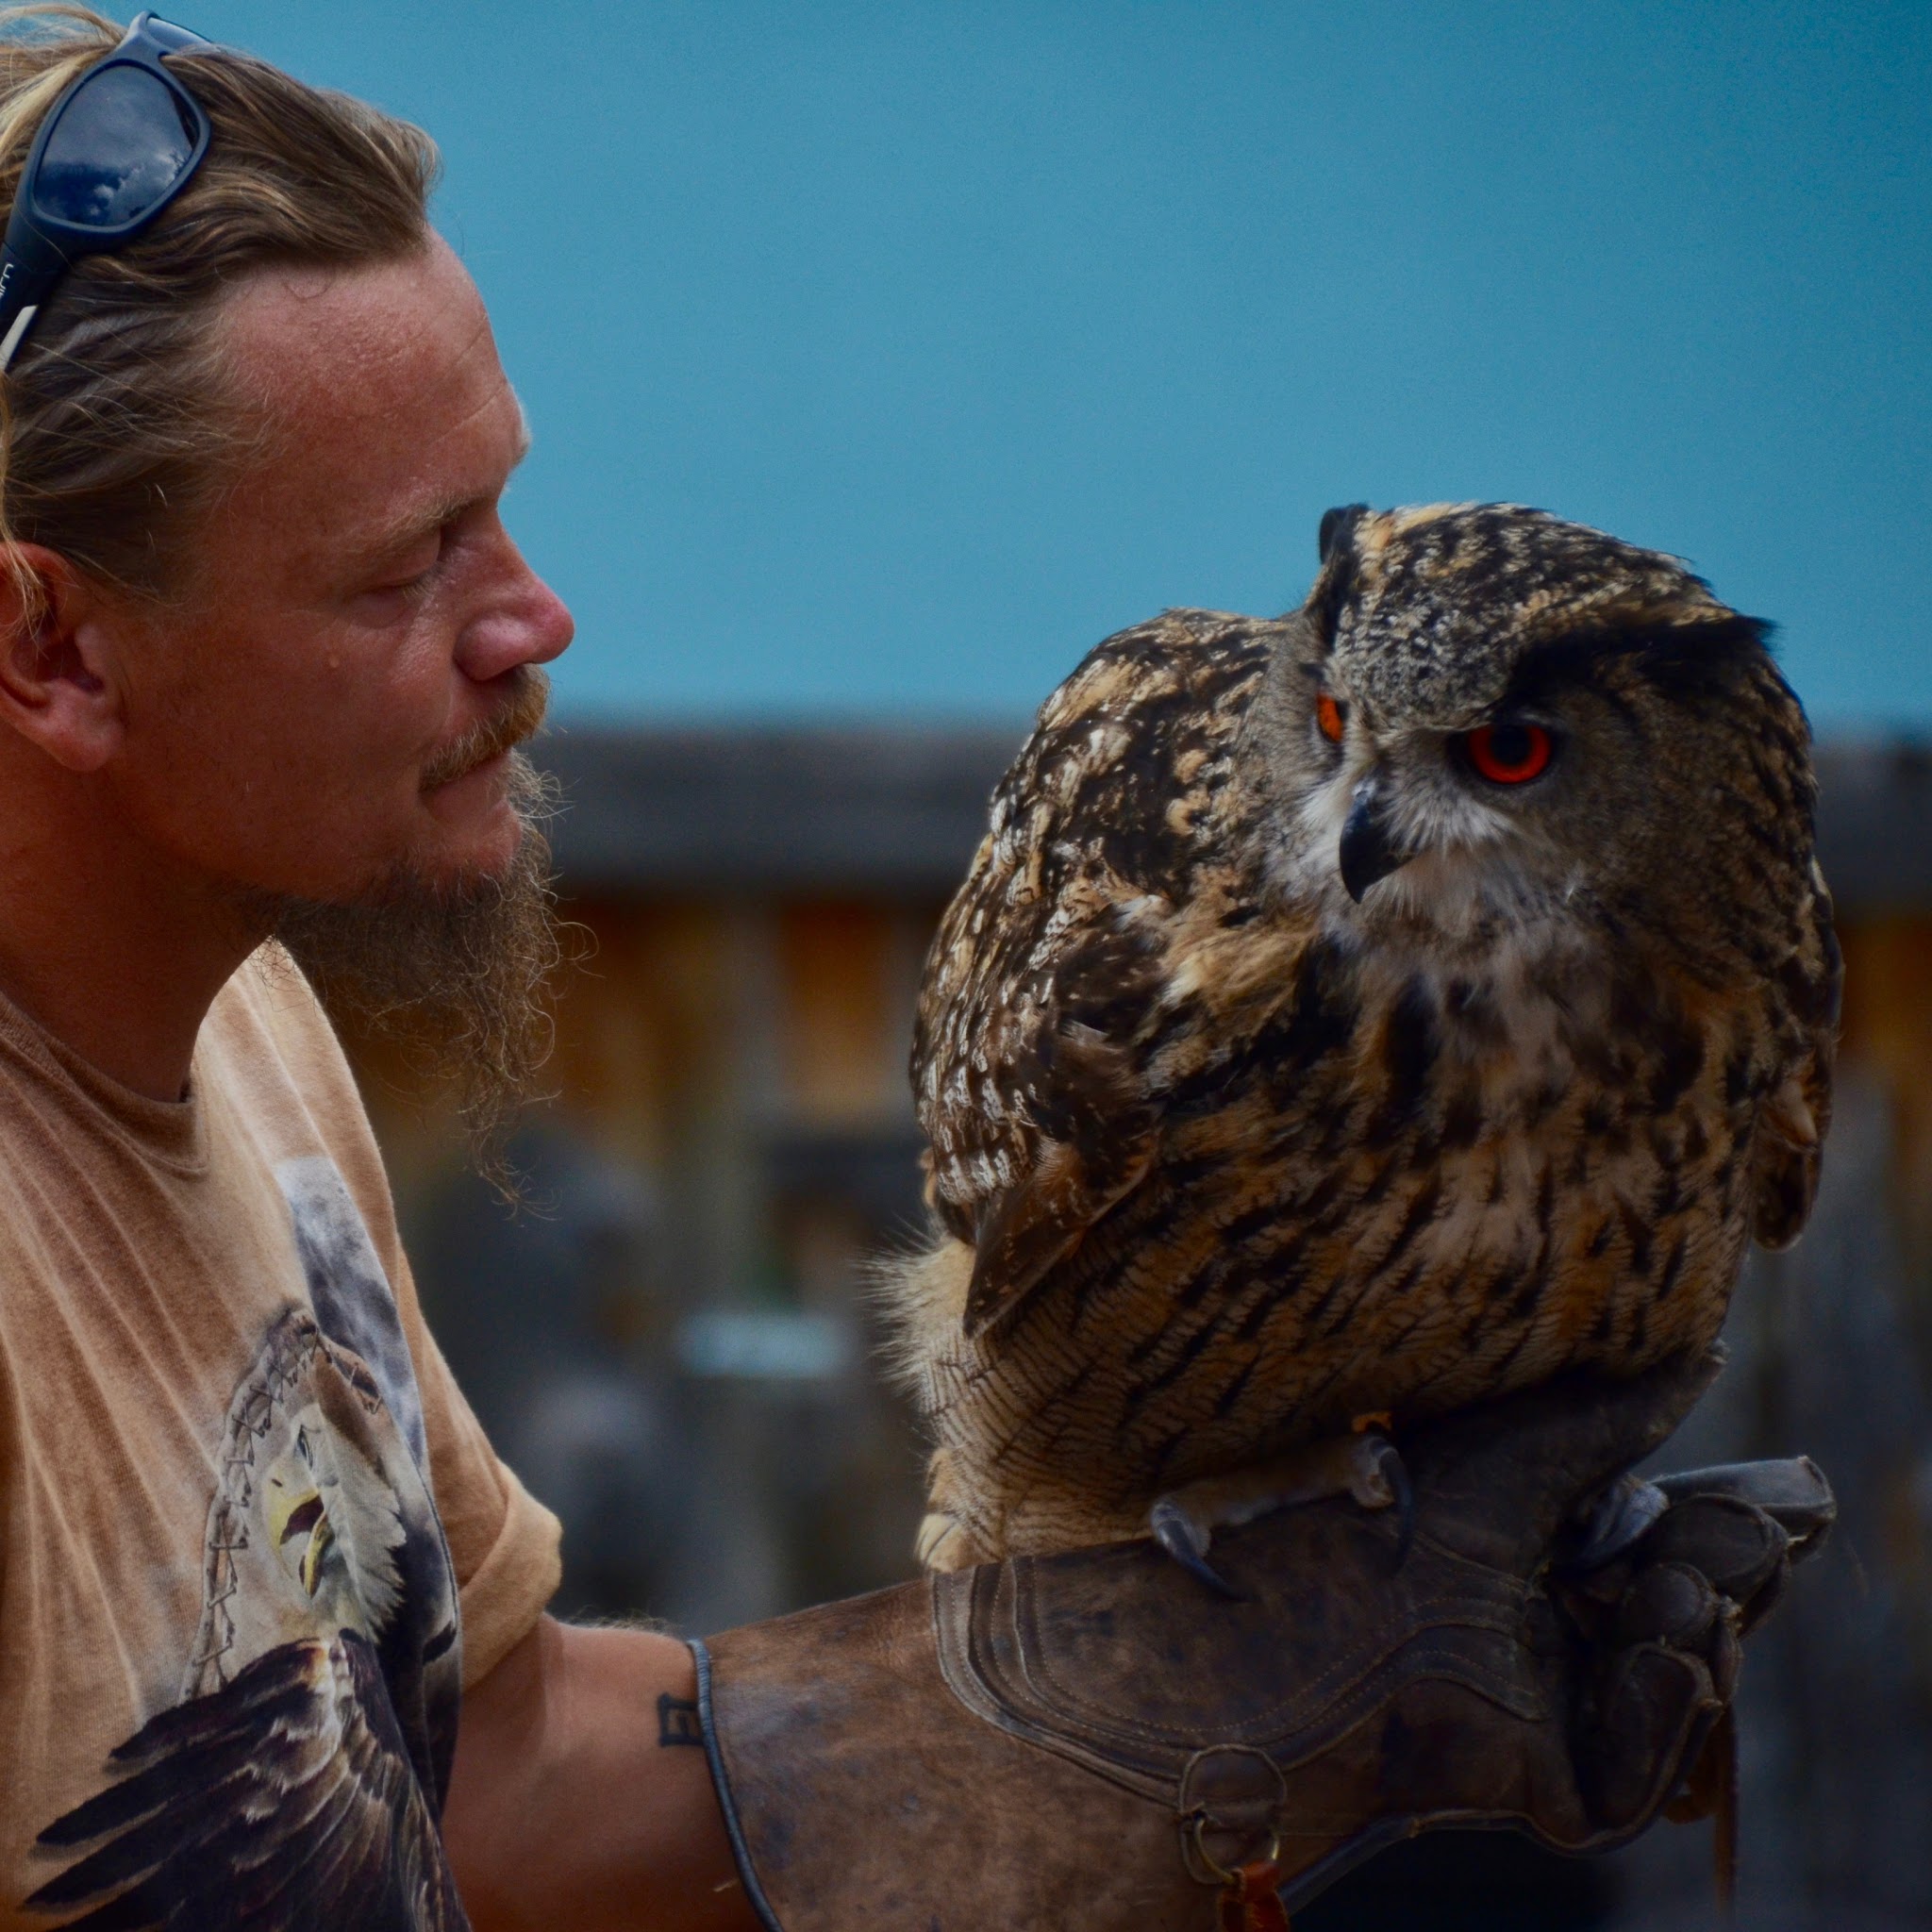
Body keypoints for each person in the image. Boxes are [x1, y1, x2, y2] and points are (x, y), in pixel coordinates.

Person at [0, 10, 1830, 1930]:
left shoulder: (245, 1026)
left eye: (503, 500)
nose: (536, 616)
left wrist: (1172, 1695)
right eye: (405, 566)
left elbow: (482, 1762)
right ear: (50, 649)